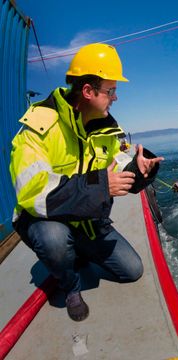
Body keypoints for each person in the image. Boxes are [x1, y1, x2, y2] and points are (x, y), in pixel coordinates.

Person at [10, 43, 163, 321]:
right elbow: (34, 191)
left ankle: (76, 250)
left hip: (87, 222)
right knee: (54, 239)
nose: (115, 98)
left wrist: (140, 171)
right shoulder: (39, 127)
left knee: (132, 270)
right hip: (44, 219)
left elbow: (116, 168)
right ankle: (70, 285)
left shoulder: (104, 128)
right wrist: (101, 186)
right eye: (111, 91)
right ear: (88, 91)